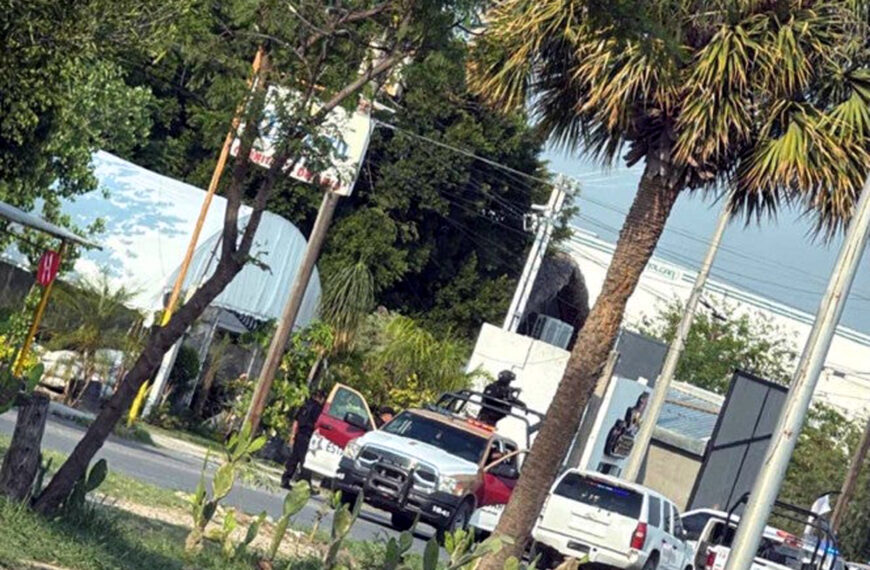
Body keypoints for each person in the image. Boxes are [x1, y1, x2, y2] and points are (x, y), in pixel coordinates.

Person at [281, 389, 326, 488]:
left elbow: (296, 421)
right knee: (305, 462)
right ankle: (305, 485)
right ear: (320, 397)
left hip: (299, 434)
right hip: (307, 437)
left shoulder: (305, 406)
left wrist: (292, 435)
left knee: (293, 459)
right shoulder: (318, 409)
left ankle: (285, 480)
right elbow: (318, 425)